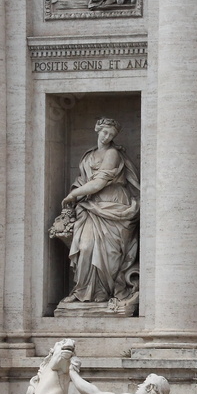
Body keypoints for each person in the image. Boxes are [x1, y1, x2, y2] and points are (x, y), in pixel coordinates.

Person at [60, 117, 140, 307]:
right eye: (105, 132)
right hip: (91, 206)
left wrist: (73, 195)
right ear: (97, 129)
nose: (107, 136)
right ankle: (82, 292)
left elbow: (98, 183)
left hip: (112, 204)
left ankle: (104, 293)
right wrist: (78, 195)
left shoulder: (113, 153)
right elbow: (83, 180)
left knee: (110, 254)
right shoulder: (88, 155)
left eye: (111, 134)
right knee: (86, 247)